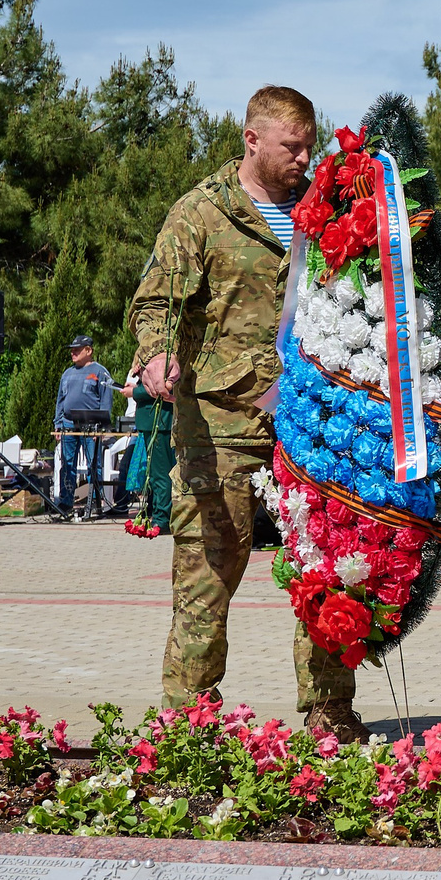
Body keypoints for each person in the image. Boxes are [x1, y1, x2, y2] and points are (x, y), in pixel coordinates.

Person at [128, 85, 361, 736]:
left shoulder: (328, 210)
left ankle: (328, 711)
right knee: (208, 567)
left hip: (311, 421)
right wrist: (154, 355)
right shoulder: (202, 213)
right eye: (293, 145)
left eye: (311, 143)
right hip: (222, 425)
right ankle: (187, 726)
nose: (304, 155)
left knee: (327, 567)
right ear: (252, 139)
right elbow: (154, 304)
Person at [51, 337, 119, 520]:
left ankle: (94, 503)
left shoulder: (100, 372)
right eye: (72, 350)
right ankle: (65, 502)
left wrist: (102, 429)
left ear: (88, 350)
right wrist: (58, 424)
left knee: (93, 465)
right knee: (67, 464)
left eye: (77, 350)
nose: (72, 353)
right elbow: (60, 401)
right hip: (68, 425)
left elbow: (106, 401)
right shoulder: (67, 374)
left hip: (91, 426)